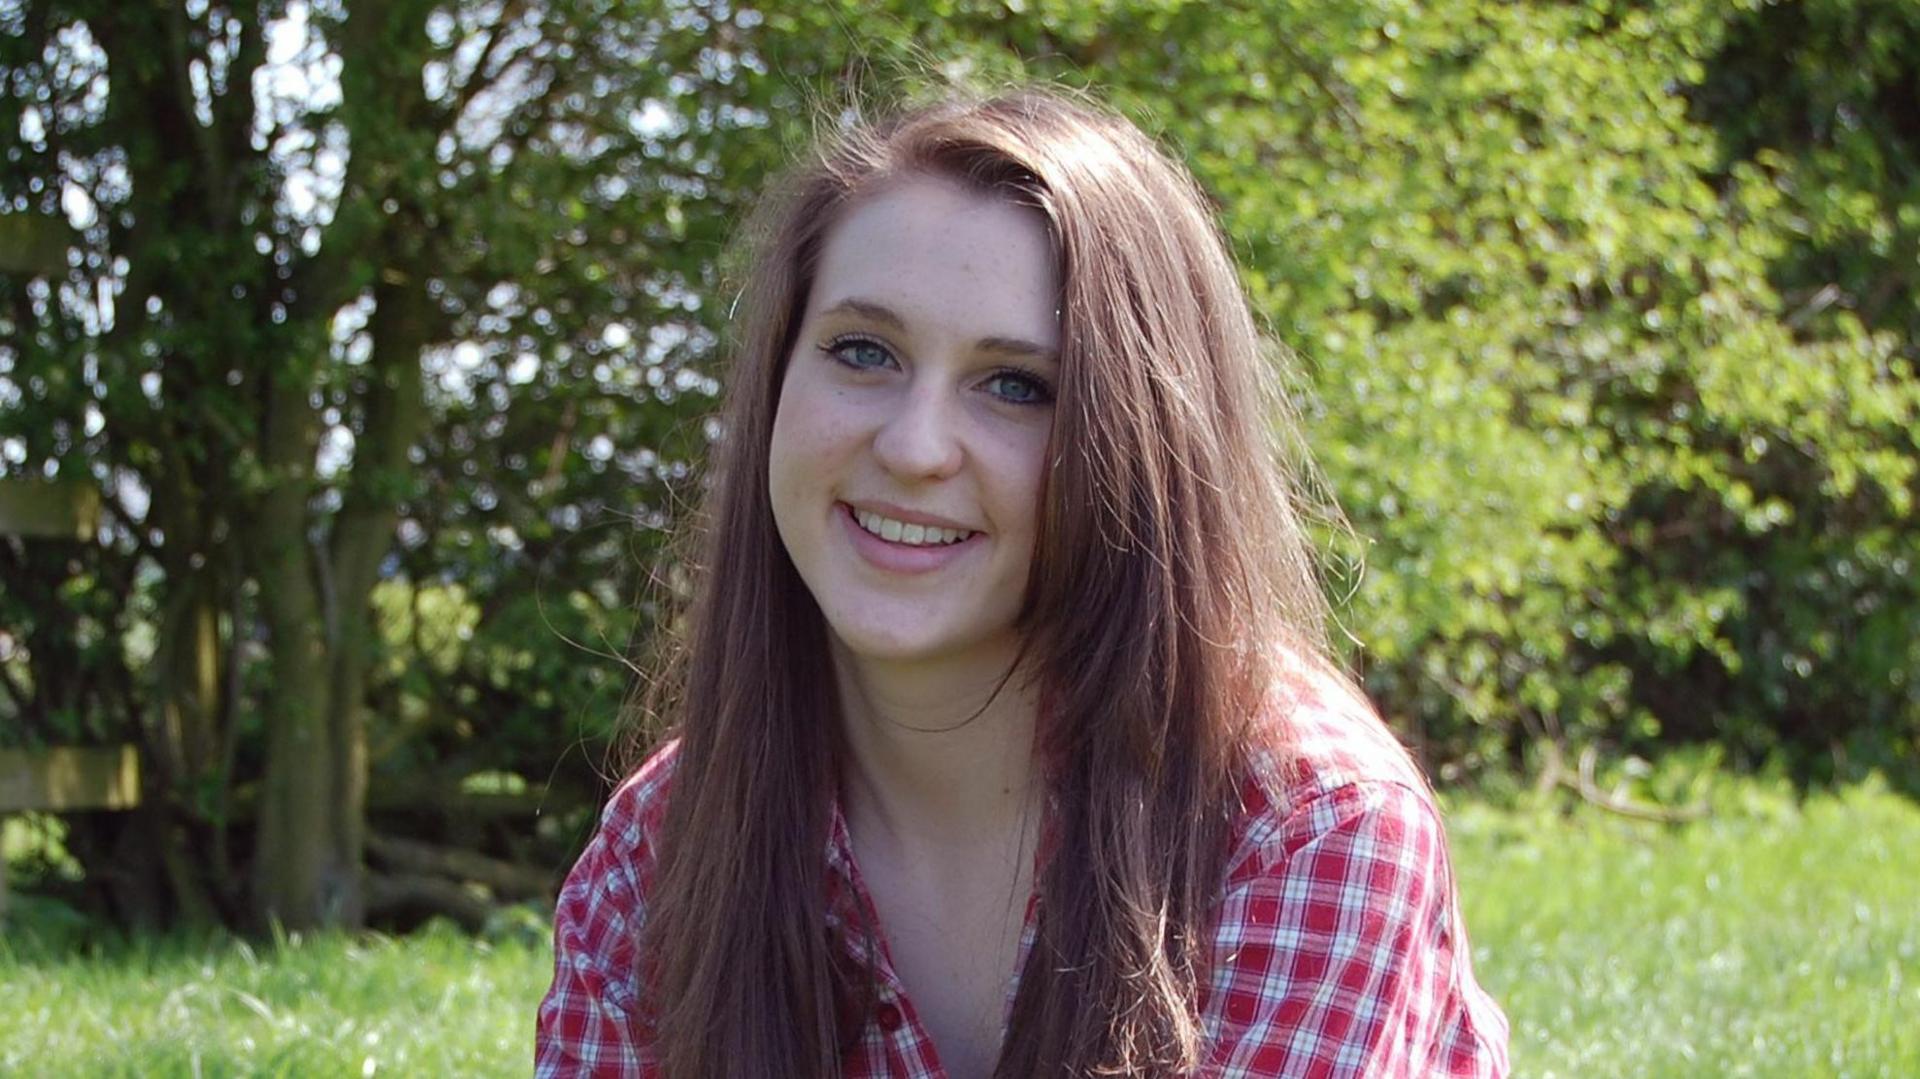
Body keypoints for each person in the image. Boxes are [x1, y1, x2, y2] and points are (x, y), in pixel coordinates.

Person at [536, 86, 1510, 1078]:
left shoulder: (1308, 827)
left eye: (1017, 385)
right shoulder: (661, 850)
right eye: (862, 351)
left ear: (1142, 449)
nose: (914, 447)